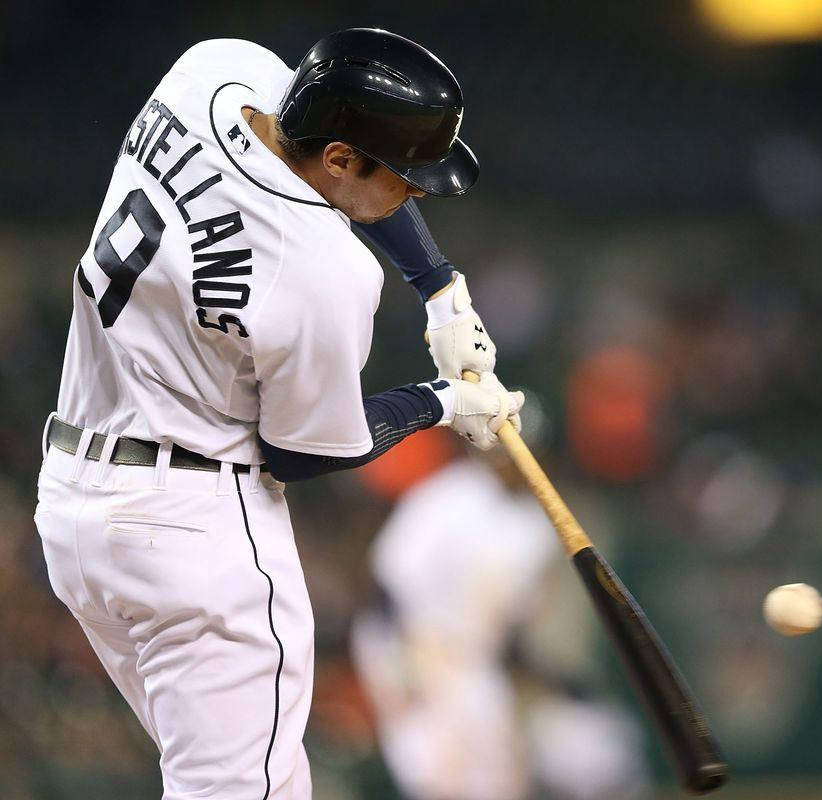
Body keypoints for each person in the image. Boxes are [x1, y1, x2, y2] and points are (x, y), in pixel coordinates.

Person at [33, 28, 521, 799]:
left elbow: (322, 153)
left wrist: (437, 284)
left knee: (243, 780)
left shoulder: (211, 72)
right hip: (190, 533)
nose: (418, 192)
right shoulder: (323, 271)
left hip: (74, 505)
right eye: (405, 175)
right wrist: (442, 402)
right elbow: (304, 452)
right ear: (339, 159)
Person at [350, 417, 649, 800]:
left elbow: (507, 629)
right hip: (410, 644)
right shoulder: (451, 495)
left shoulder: (534, 525)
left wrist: (556, 682)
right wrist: (399, 669)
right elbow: (385, 584)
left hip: (473, 658)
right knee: (436, 772)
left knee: (500, 778)